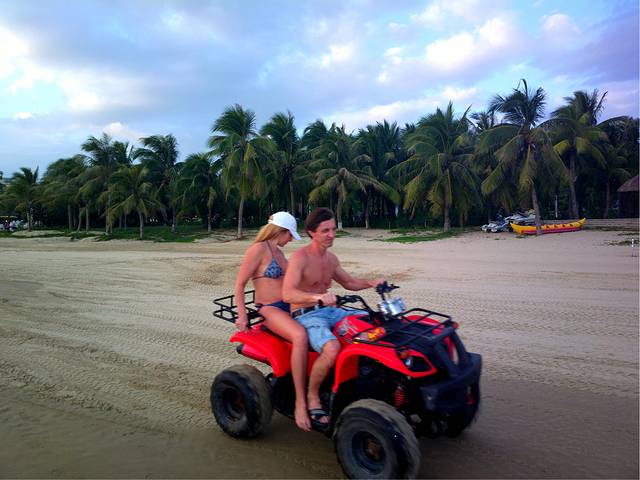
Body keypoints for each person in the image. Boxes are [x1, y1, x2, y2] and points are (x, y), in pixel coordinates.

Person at [282, 207, 384, 429]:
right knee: (331, 348)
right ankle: (312, 396)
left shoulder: (330, 259)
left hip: (330, 311)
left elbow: (349, 283)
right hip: (306, 315)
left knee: (373, 321)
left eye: (333, 229)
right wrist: (317, 297)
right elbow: (287, 294)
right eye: (325, 230)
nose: (331, 235)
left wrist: (371, 283)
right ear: (311, 232)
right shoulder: (300, 258)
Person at [234, 211, 311, 432]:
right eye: (290, 235)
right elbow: (240, 284)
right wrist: (242, 314)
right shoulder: (258, 250)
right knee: (299, 336)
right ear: (280, 231)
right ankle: (300, 402)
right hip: (270, 308)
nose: (290, 240)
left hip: (289, 304)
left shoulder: (279, 253)